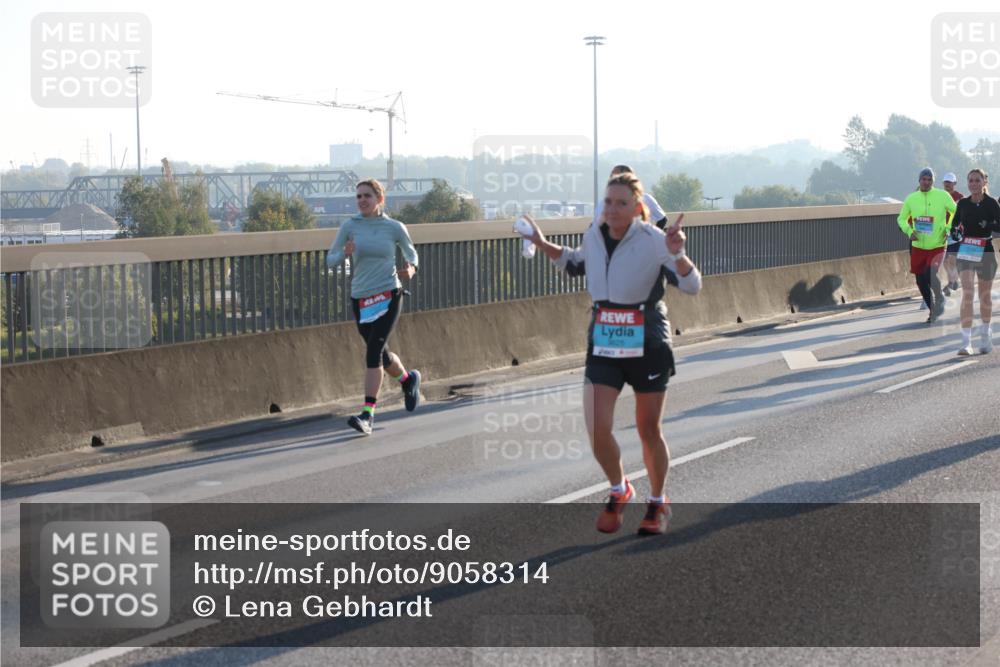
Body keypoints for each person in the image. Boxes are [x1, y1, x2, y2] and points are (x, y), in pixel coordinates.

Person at [522, 172, 702, 535]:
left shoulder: (654, 240)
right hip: (604, 342)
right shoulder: (594, 235)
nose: (613, 210)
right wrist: (541, 243)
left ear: (638, 208)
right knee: (596, 427)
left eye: (622, 204)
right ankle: (620, 489)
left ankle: (658, 501)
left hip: (647, 340)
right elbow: (574, 263)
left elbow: (692, 284)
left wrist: (678, 253)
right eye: (608, 202)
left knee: (647, 428)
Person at [326, 178, 422, 435]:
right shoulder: (350, 226)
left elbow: (412, 254)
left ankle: (367, 415)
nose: (362, 201)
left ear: (380, 199)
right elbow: (330, 259)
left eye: (367, 196)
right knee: (379, 353)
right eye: (358, 196)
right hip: (361, 298)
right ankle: (407, 379)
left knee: (374, 349)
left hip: (389, 294)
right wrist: (345, 253)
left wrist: (411, 269)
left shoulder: (394, 227)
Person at [897, 167, 957, 323]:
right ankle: (933, 310)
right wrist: (909, 231)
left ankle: (940, 297)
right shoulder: (911, 198)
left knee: (930, 272)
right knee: (920, 280)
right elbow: (901, 219)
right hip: (918, 246)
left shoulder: (942, 196)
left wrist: (948, 228)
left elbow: (956, 212)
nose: (926, 182)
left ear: (933, 182)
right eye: (923, 179)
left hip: (937, 244)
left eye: (929, 179)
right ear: (919, 180)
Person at [952, 168, 1000, 355]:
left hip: (985, 250)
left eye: (977, 180)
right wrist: (954, 230)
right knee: (968, 294)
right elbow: (955, 224)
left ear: (984, 183)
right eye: (970, 180)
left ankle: (986, 334)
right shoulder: (963, 203)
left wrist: (989, 225)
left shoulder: (991, 203)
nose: (973, 184)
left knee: (984, 296)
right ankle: (966, 342)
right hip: (967, 250)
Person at [592, 164, 669, 229]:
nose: (612, 178)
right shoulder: (603, 204)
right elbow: (595, 227)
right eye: (611, 176)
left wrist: (652, 239)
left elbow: (662, 219)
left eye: (615, 176)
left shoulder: (646, 199)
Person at [941, 172, 965, 296]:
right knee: (944, 259)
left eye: (950, 182)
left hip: (955, 232)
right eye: (945, 182)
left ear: (954, 183)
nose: (947, 185)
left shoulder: (960, 196)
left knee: (953, 258)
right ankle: (953, 281)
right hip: (942, 232)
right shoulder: (939, 196)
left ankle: (952, 282)